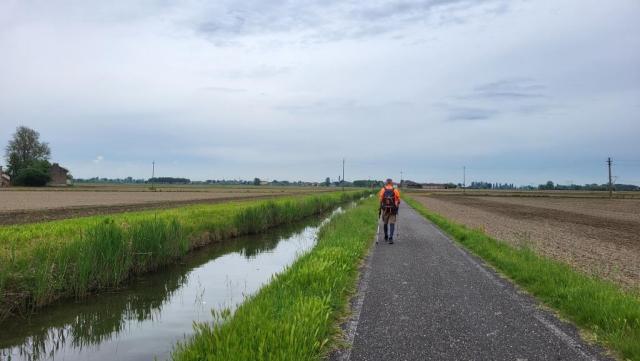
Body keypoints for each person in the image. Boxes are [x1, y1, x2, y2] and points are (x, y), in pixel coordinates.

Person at [378, 178, 401, 244]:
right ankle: (391, 238)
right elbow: (398, 200)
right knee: (392, 223)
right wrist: (397, 205)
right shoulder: (395, 190)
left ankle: (386, 236)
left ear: (386, 182)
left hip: (385, 209)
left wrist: (381, 207)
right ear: (391, 183)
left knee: (385, 223)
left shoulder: (383, 190)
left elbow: (380, 200)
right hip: (393, 209)